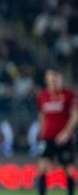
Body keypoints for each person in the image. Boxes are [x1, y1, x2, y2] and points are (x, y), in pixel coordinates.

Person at [36, 67, 77, 195]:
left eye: (55, 78)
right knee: (42, 167)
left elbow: (75, 115)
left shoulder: (69, 94)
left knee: (68, 169)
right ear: (46, 79)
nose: (52, 81)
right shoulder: (43, 95)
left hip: (63, 138)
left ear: (60, 79)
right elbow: (42, 115)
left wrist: (66, 132)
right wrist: (42, 132)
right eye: (50, 78)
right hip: (48, 137)